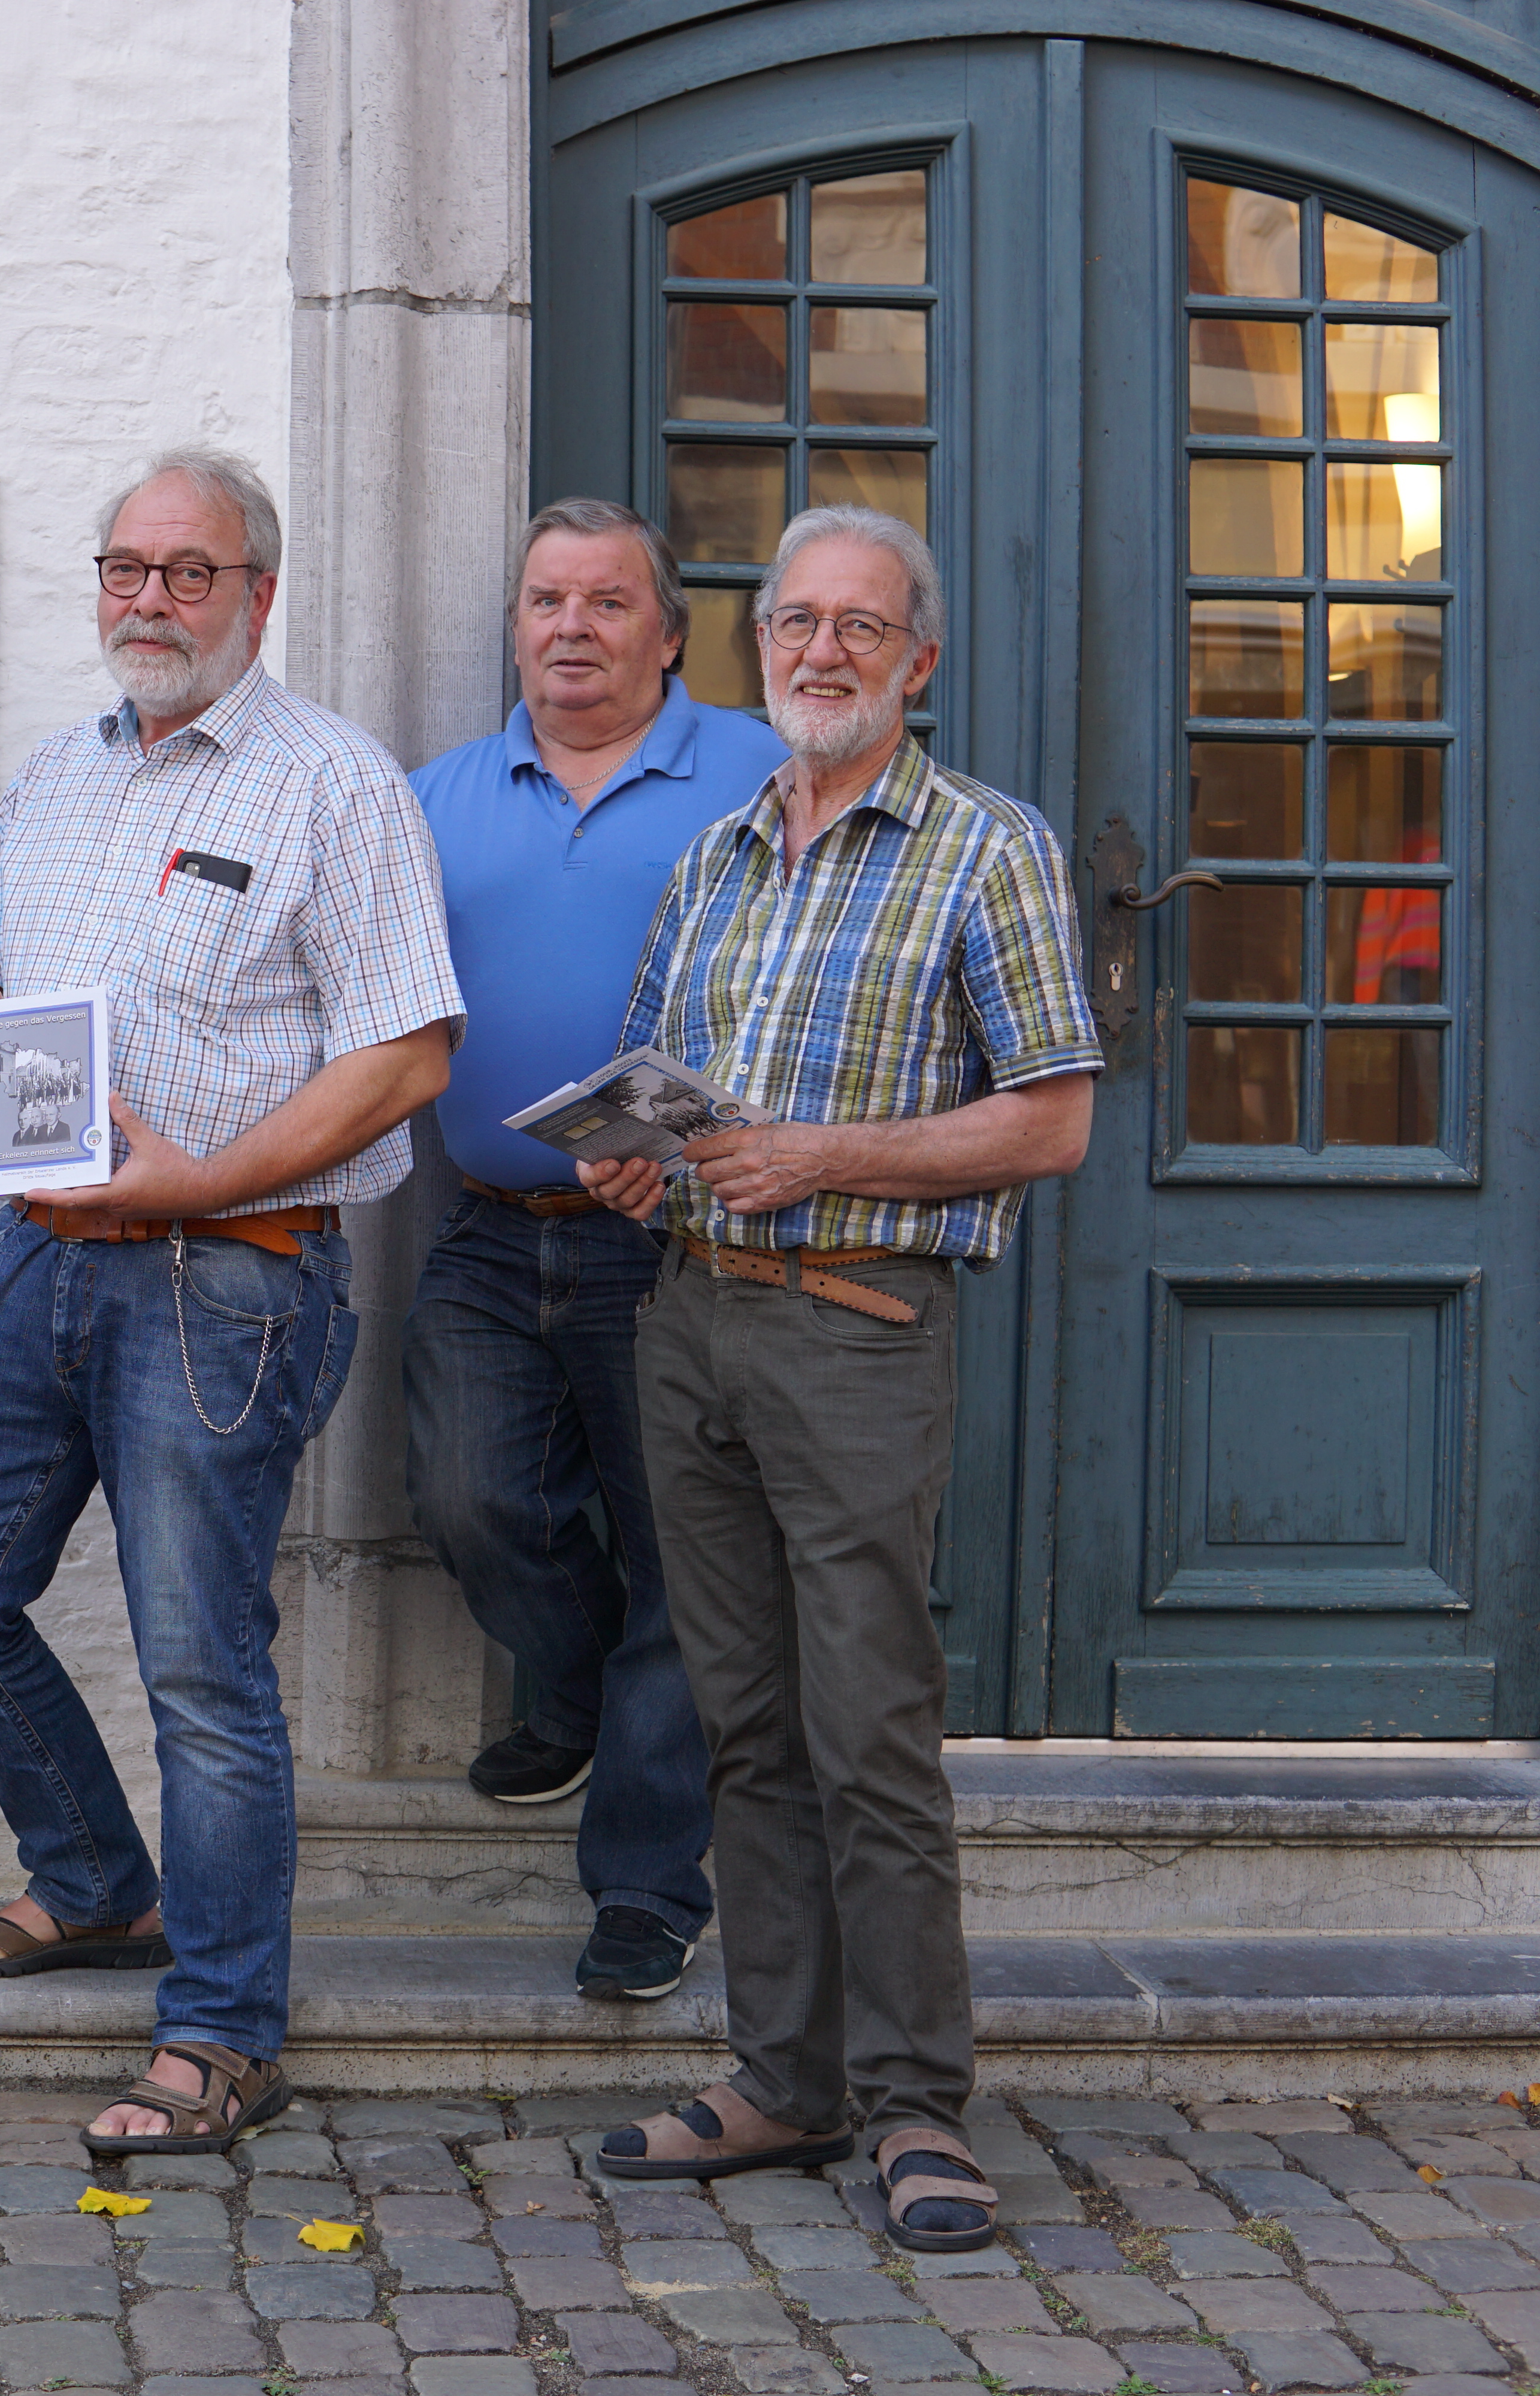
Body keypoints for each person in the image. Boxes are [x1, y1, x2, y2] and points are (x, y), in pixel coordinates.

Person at [0, 448, 464, 2156]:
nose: (149, 599)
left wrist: (205, 1181)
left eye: (188, 573)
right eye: (125, 566)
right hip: (36, 1257)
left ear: (257, 595)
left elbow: (410, 1051)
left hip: (225, 1277)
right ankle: (95, 1880)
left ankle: (222, 2033)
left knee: (203, 1670)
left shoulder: (331, 786)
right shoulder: (58, 777)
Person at [577, 505, 1098, 2250]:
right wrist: (629, 1157)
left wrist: (825, 1158)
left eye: (857, 630)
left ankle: (916, 2108)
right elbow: (660, 1075)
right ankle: (782, 2077)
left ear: (916, 661)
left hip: (860, 1325)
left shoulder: (984, 849)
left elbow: (1055, 1115)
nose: (818, 652)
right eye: (794, 622)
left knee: (868, 1730)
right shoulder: (718, 852)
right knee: (745, 1725)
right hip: (694, 1322)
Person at [402, 500, 786, 2003]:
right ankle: (561, 1685)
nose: (571, 626)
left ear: (670, 630)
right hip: (490, 1227)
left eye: (607, 602)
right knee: (467, 1491)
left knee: (684, 1561)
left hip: (676, 1238)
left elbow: (810, 983)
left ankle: (644, 1881)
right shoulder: (433, 793)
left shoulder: (758, 772)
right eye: (546, 599)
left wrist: (701, 1141)